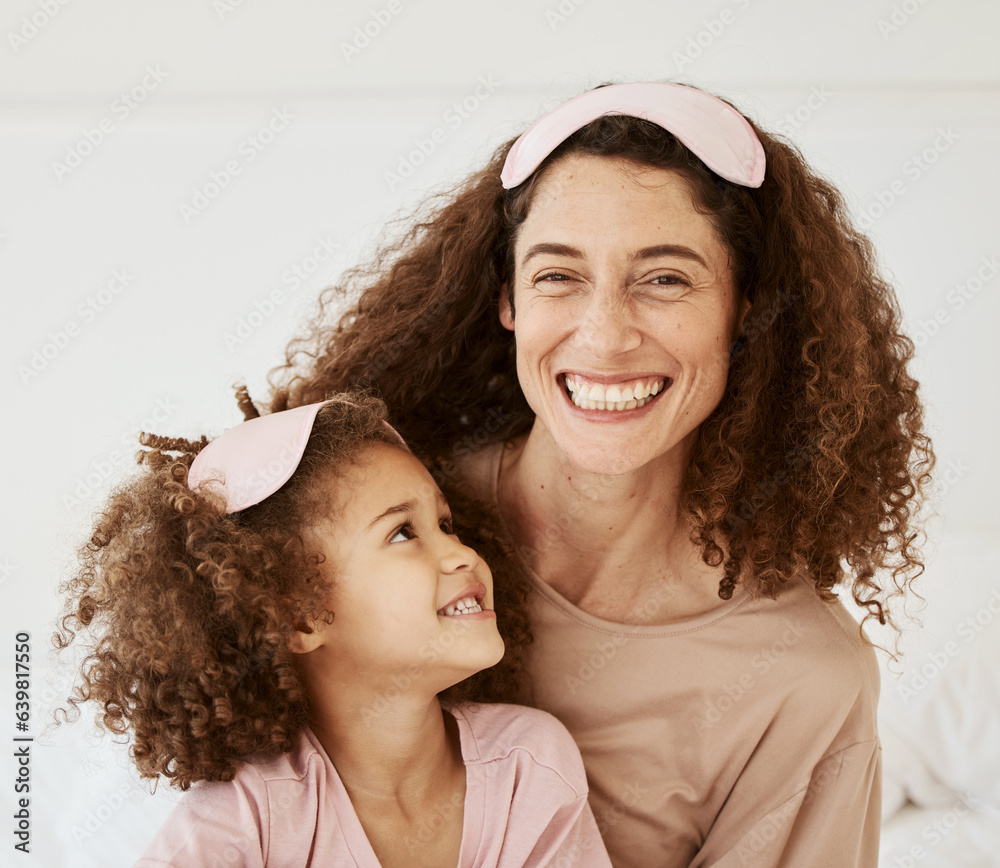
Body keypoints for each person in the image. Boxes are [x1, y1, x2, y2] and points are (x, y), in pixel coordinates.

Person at [268, 82, 934, 866]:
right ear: (508, 298)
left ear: (745, 311)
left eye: (665, 279)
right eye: (559, 275)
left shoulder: (801, 681)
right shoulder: (361, 533)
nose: (606, 335)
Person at [54, 393, 612, 867]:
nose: (461, 554)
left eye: (445, 524)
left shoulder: (528, 766)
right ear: (298, 614)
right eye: (401, 534)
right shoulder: (245, 819)